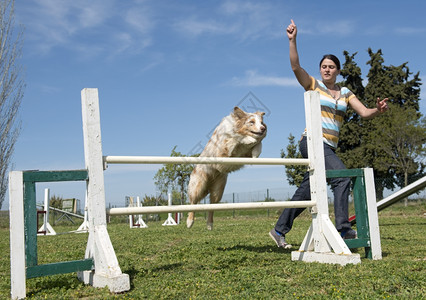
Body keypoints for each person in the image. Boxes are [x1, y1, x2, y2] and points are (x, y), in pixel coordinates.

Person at [269, 20, 389, 249]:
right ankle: (343, 229)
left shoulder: (345, 92)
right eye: (323, 66)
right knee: (342, 177)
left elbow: (364, 112)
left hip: (329, 147)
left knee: (307, 190)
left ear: (337, 71)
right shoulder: (313, 85)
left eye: (331, 66)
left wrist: (378, 110)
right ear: (320, 70)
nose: (326, 69)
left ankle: (278, 230)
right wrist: (292, 40)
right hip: (312, 141)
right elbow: (295, 68)